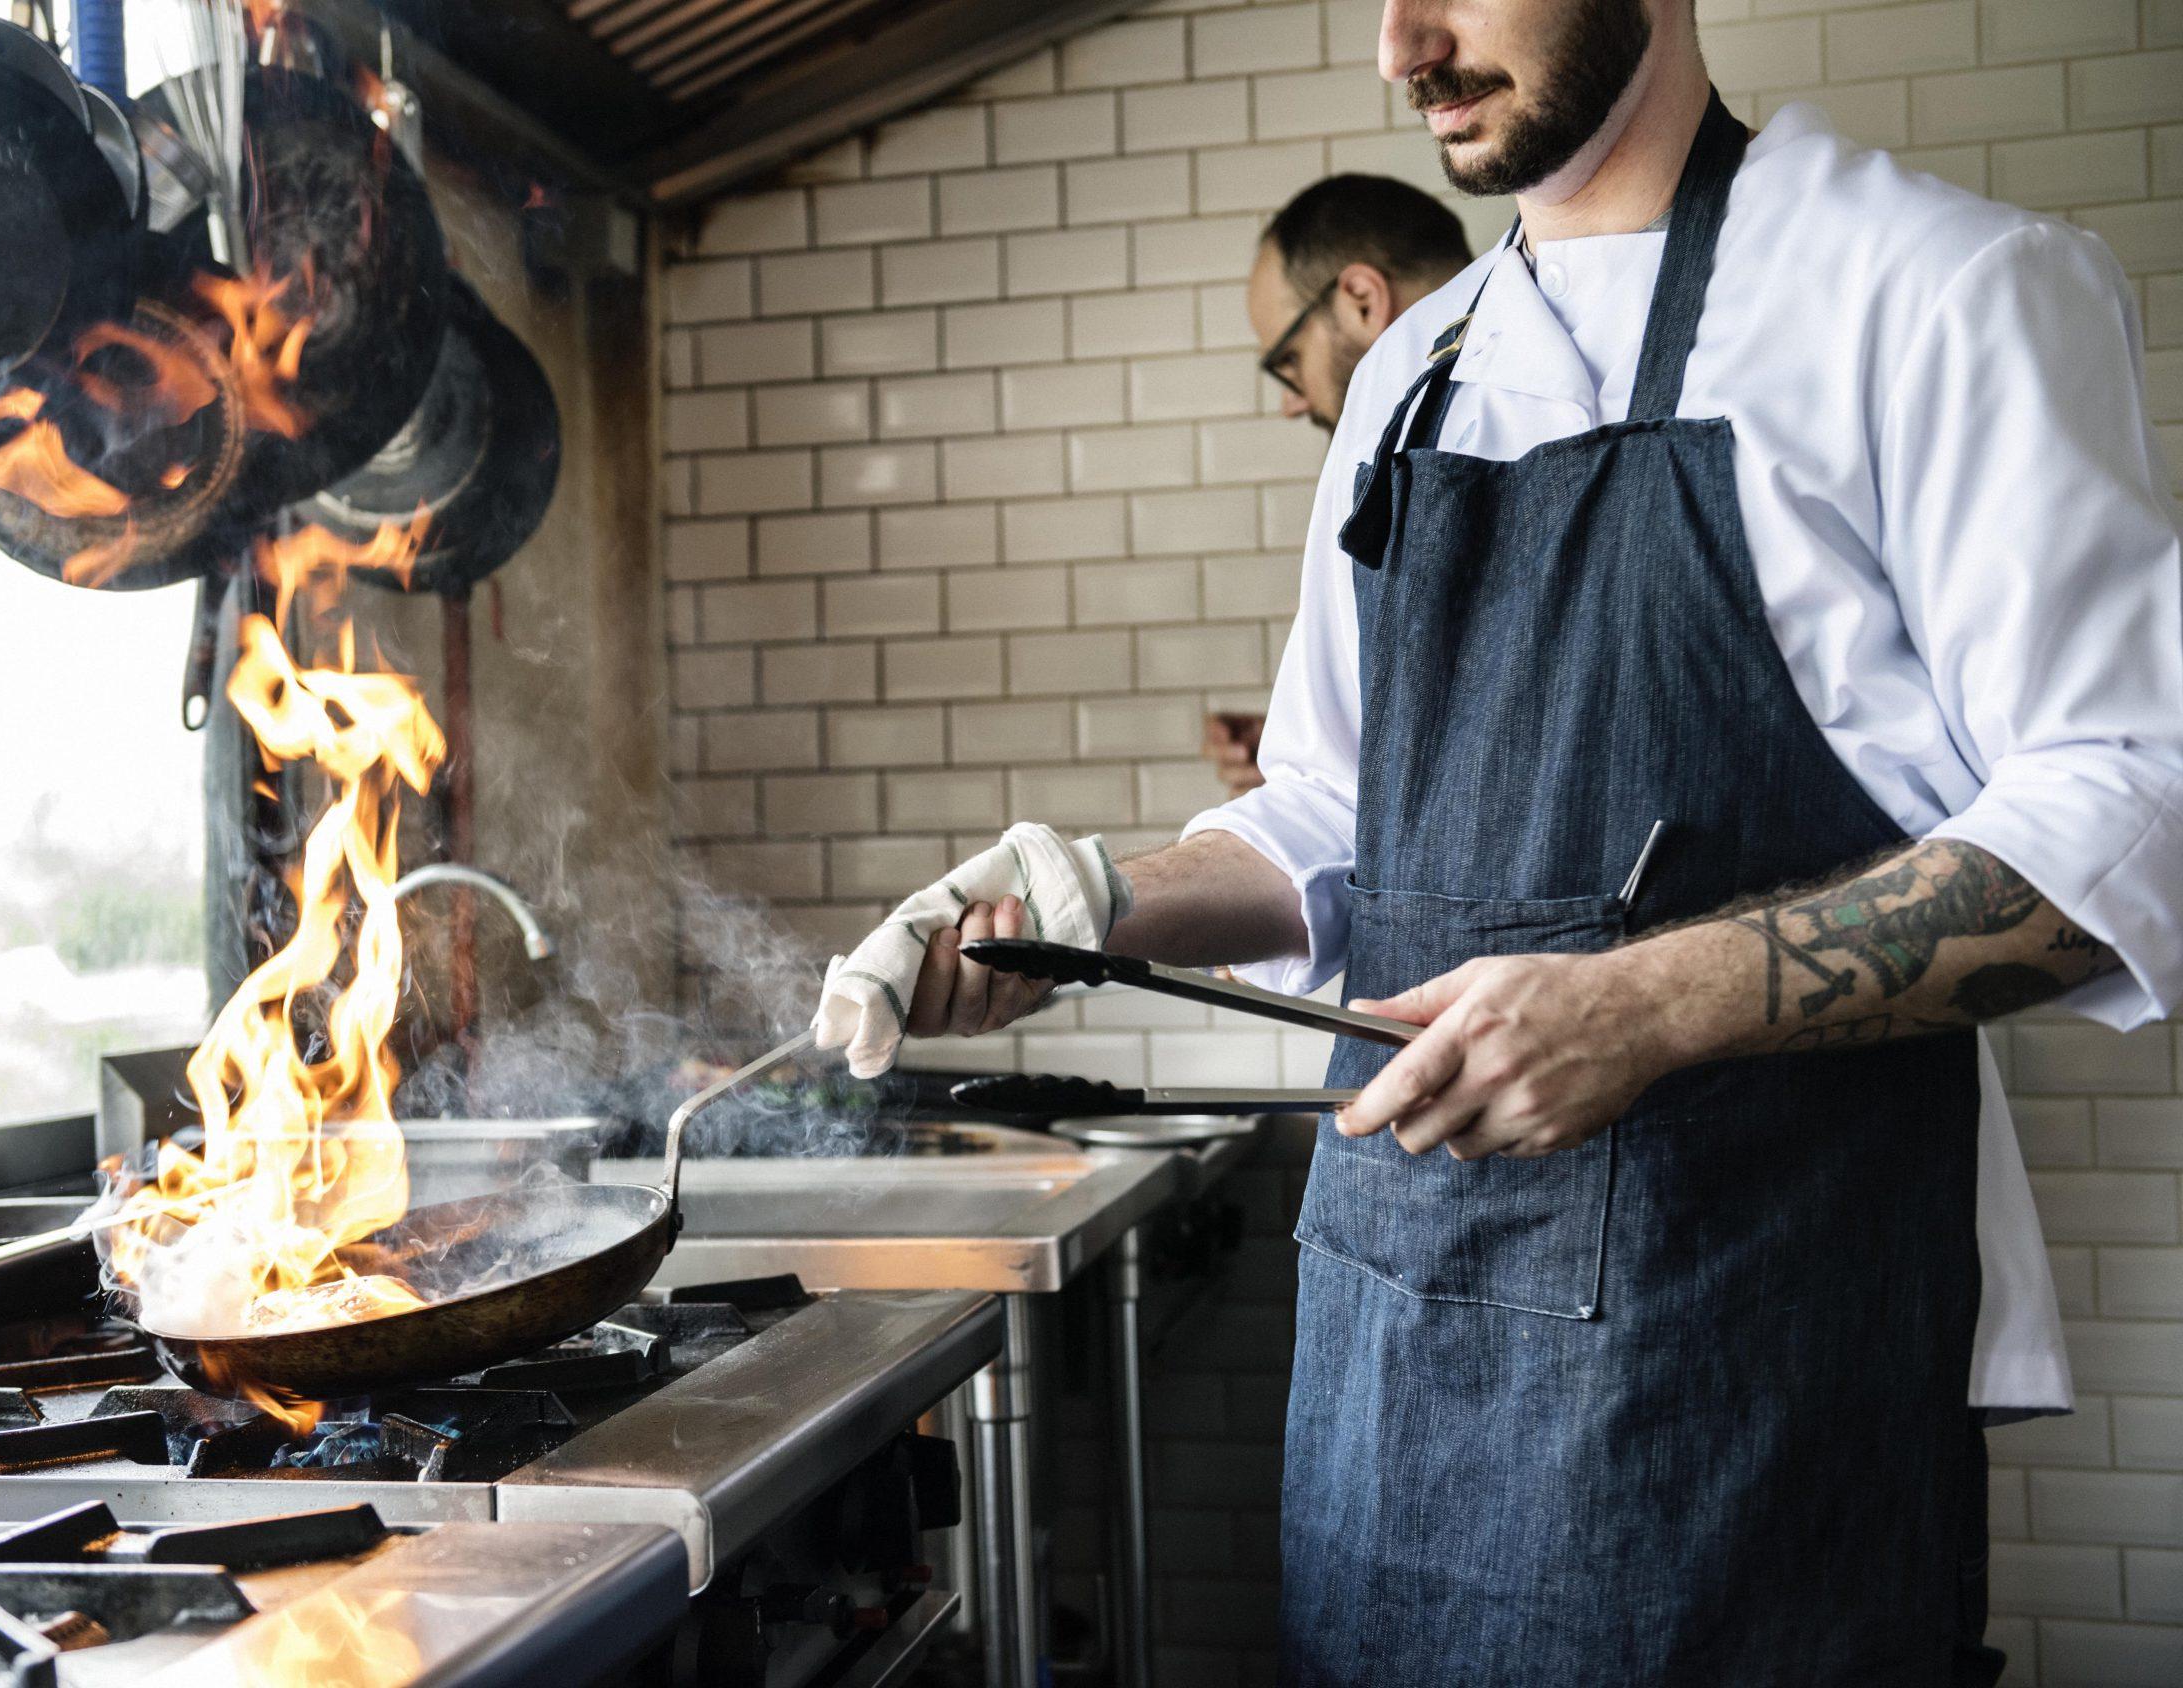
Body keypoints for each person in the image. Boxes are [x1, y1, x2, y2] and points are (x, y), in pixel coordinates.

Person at [813, 0, 2183, 1681]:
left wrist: (1649, 1004)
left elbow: (2133, 804)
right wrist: (1090, 901)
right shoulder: (1412, 375)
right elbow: (1334, 814)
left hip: (1747, 1386)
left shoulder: (1935, 292)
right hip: (1399, 1376)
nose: (1403, 46)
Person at [1210, 177, 1475, 798]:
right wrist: (1318, 755)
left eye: (1289, 358)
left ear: (1360, 299)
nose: (1291, 401)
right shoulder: (1389, 468)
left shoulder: (1458, 456)